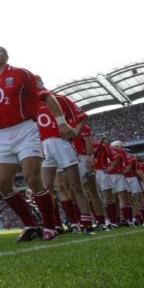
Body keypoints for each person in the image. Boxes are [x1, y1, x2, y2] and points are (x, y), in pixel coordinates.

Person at [0, 45, 74, 242]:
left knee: (33, 179)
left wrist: (62, 122)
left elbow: (46, 96)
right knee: (3, 183)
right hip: (3, 136)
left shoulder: (21, 73)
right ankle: (31, 225)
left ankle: (49, 226)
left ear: (6, 56)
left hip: (26, 129)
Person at [35, 81, 94, 234]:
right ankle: (52, 225)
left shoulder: (60, 99)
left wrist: (75, 132)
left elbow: (82, 117)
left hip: (61, 144)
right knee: (45, 187)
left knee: (75, 185)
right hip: (43, 147)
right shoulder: (30, 104)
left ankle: (86, 223)